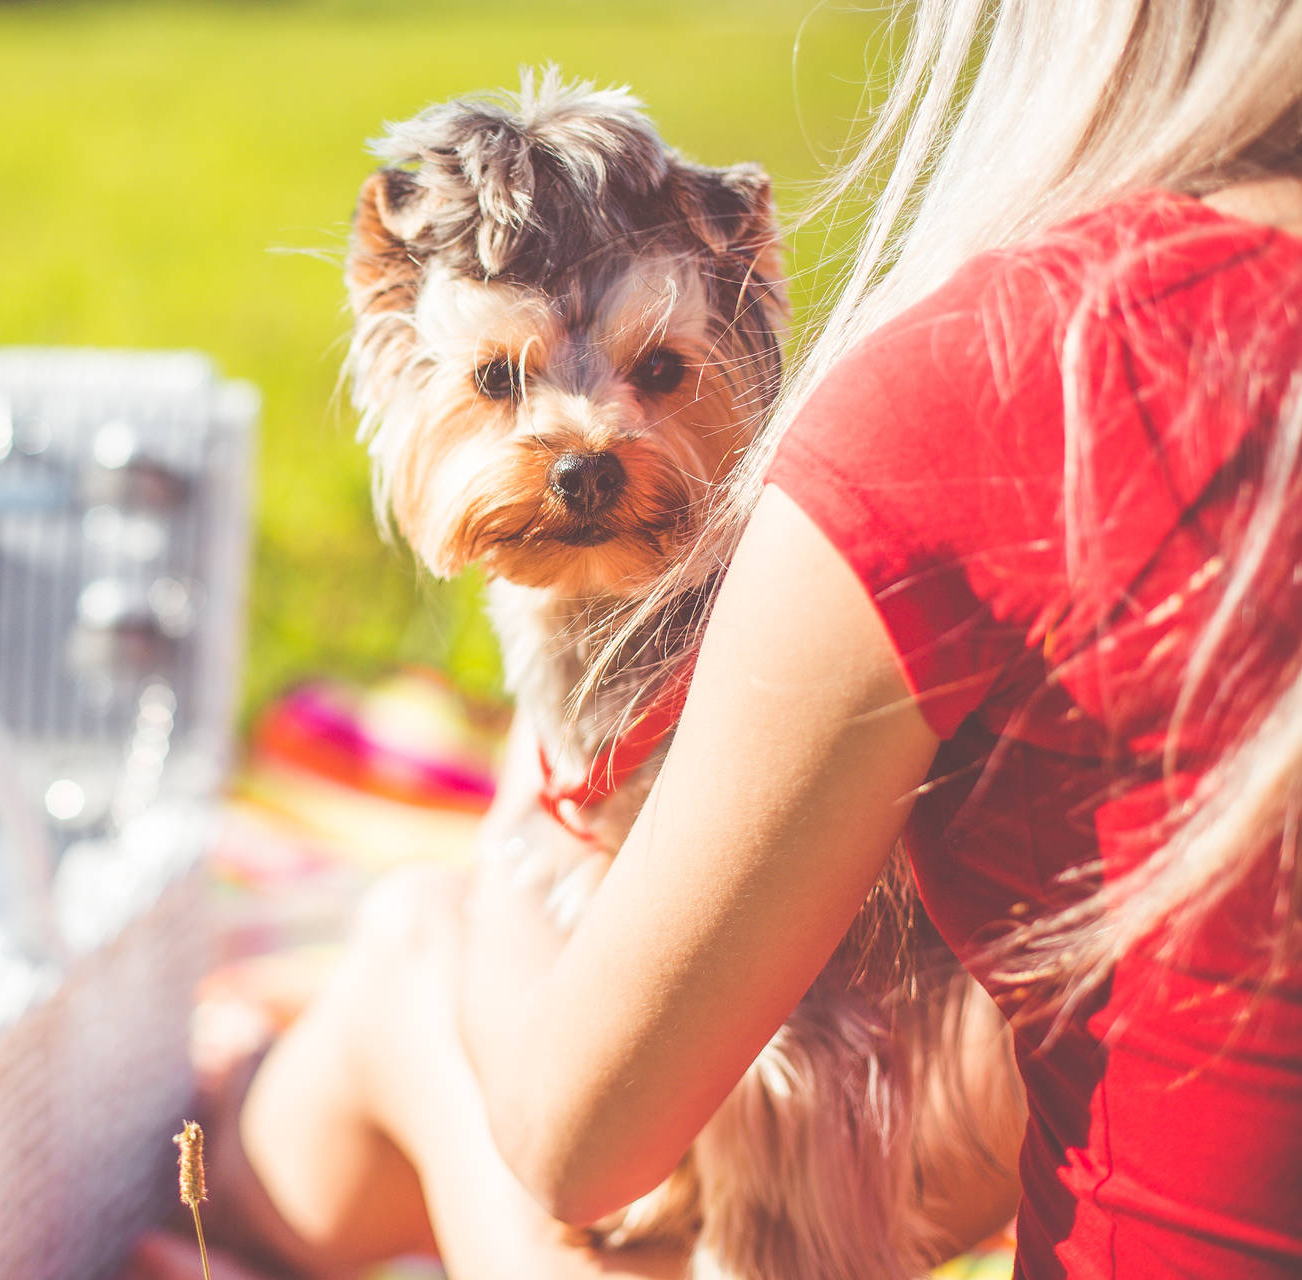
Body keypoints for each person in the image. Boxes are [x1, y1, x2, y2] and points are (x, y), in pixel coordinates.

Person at [210, 2, 1302, 1276]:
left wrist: (524, 833)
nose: (584, 445)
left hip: (829, 1201)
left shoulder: (999, 383)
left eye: (658, 376)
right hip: (1003, 1134)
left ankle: (198, 1170)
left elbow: (577, 1149)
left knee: (415, 946)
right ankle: (219, 1153)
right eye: (504, 384)